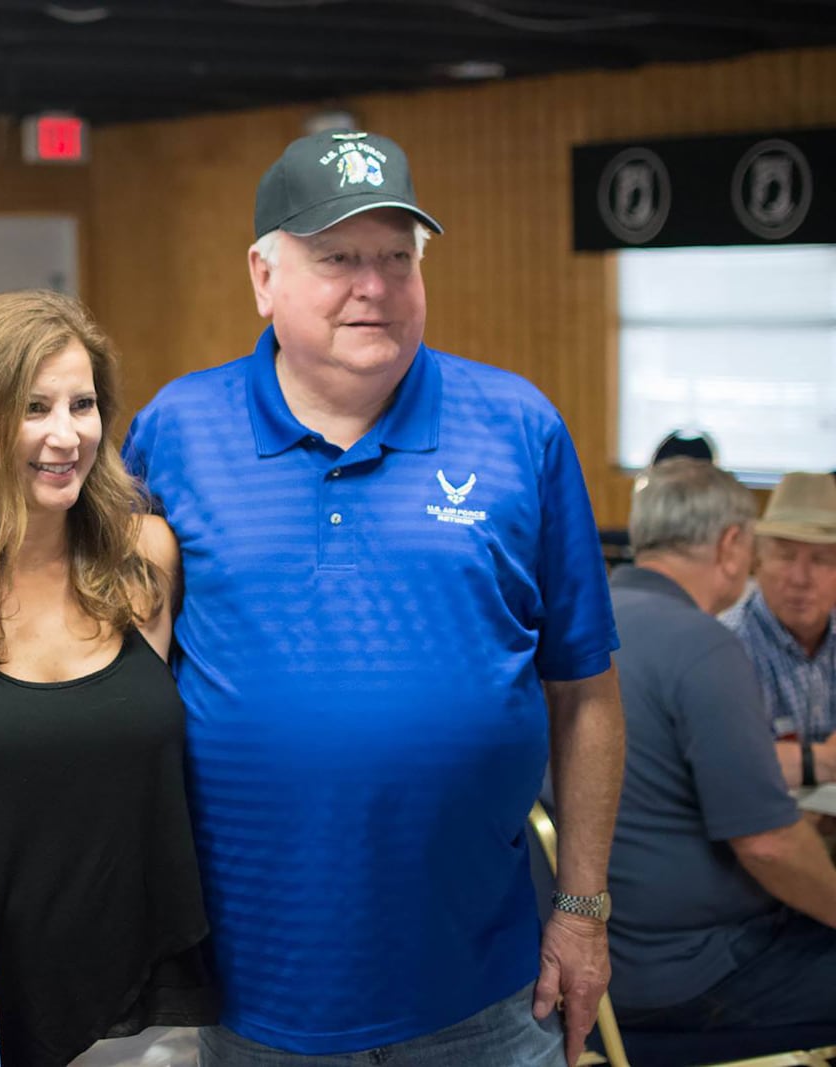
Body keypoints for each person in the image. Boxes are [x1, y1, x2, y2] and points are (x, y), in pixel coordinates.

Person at [122, 129, 625, 1066]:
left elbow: (586, 692)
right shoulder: (176, 432)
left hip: (482, 986)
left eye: (398, 257)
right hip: (254, 992)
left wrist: (585, 909)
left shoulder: (519, 428)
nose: (375, 285)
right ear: (263, 278)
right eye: (338, 258)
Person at [0, 290, 218, 1067]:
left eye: (83, 404)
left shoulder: (145, 562)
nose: (66, 435)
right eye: (33, 407)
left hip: (150, 1014)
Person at [601, 458, 836, 1035]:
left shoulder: (586, 620)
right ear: (734, 545)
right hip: (692, 975)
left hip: (596, 961)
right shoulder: (704, 646)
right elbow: (769, 847)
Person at [721, 471, 836, 787]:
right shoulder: (725, 647)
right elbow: (731, 768)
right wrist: (824, 760)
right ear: (757, 561)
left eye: (822, 560)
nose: (800, 578)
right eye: (785, 556)